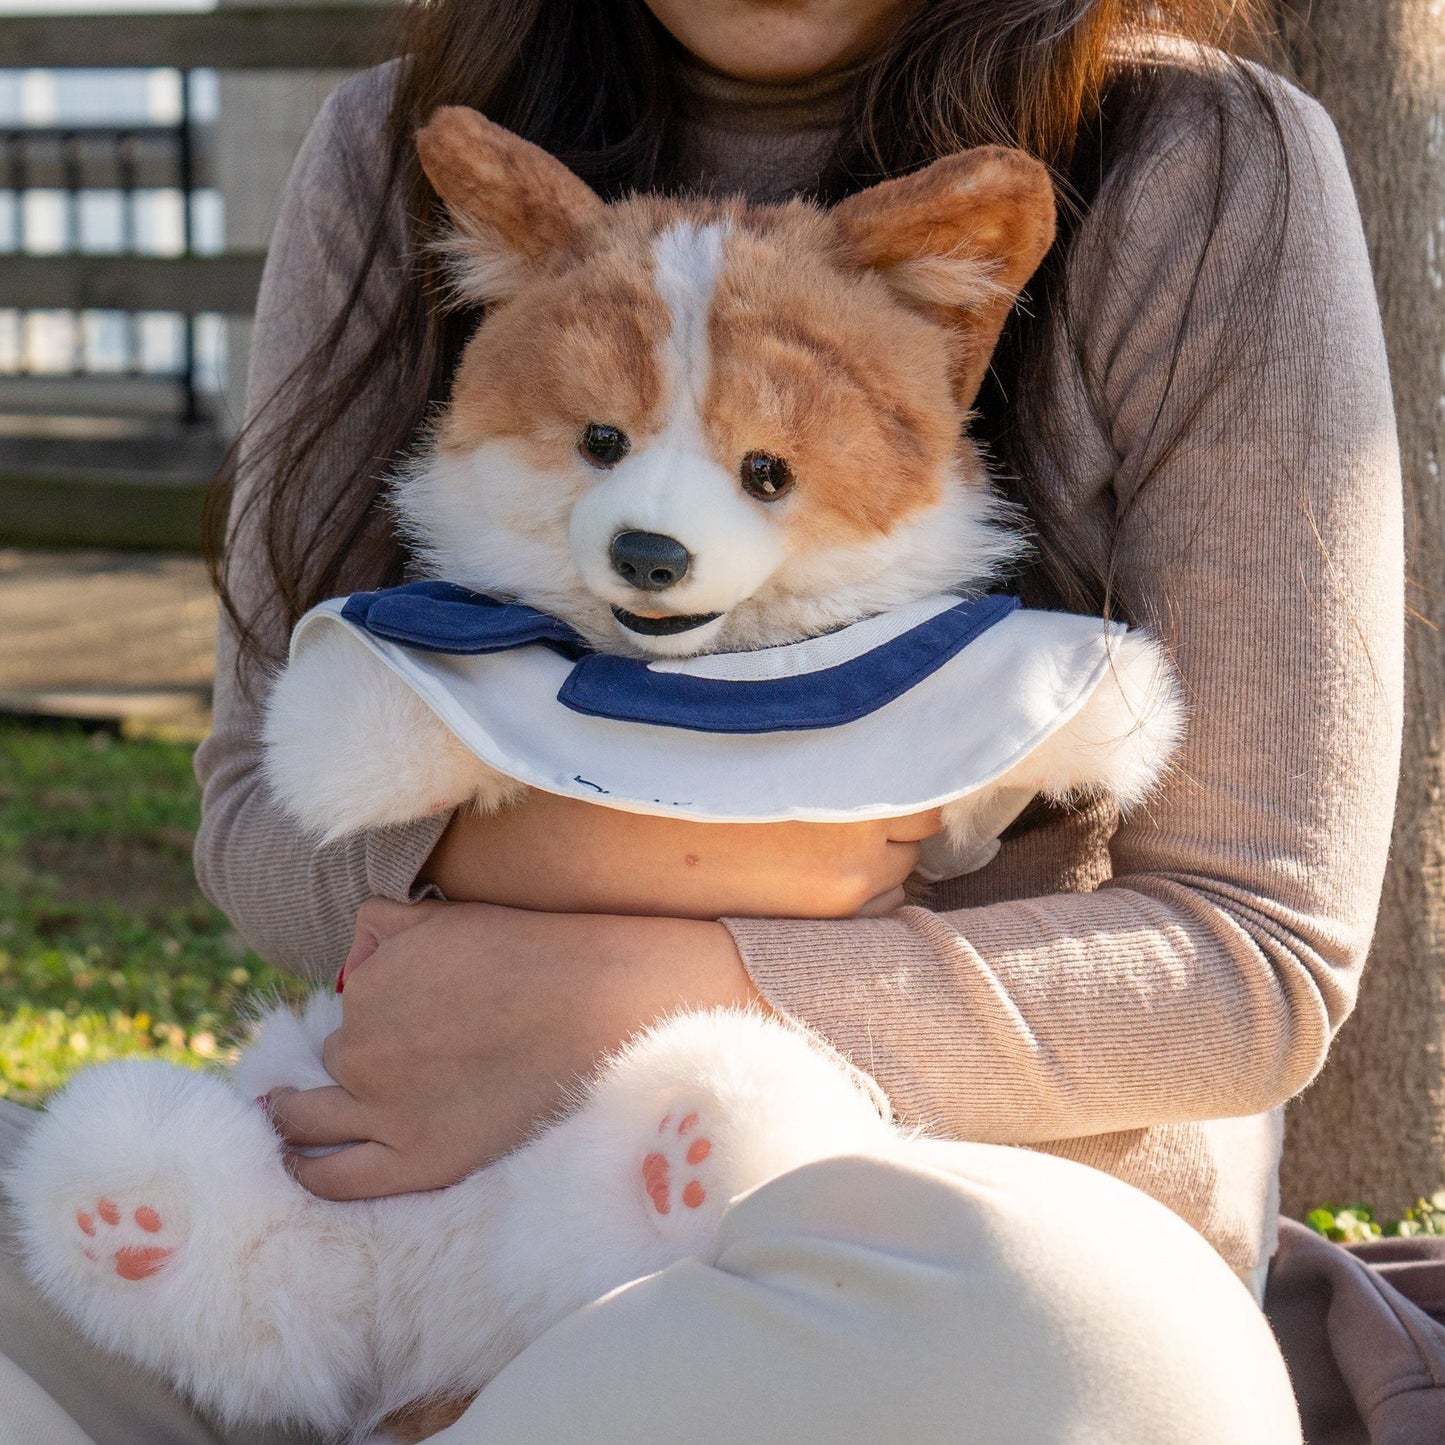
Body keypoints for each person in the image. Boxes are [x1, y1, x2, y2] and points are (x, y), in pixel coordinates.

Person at [0, 1, 1399, 1440]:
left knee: (1076, 1337)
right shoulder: (388, 139)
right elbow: (256, 807)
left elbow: (1250, 957)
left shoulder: (1199, 162)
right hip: (384, 1235)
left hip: (923, 1261)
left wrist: (633, 987)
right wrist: (748, 856)